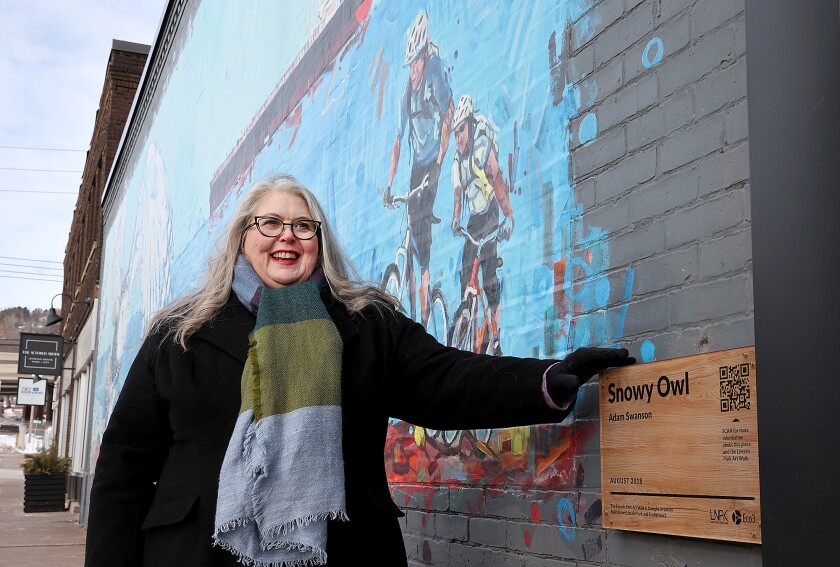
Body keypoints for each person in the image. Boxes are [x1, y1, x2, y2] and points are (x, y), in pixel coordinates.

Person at [84, 174, 635, 567]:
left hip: (345, 549)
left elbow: (447, 380)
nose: (287, 236)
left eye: (304, 226)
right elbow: (124, 467)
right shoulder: (179, 333)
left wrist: (551, 379)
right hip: (199, 551)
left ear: (319, 245)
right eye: (270, 222)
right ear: (241, 239)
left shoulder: (365, 324)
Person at [384, 9, 454, 328]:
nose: (412, 71)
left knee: (422, 239)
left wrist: (440, 164)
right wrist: (388, 186)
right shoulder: (406, 92)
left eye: (415, 62)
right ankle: (412, 308)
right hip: (415, 166)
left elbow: (449, 114)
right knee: (409, 230)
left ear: (425, 56)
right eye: (409, 64)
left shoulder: (435, 71)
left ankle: (425, 321)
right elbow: (397, 141)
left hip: (432, 164)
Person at [451, 94, 515, 355]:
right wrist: (456, 217)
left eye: (461, 131)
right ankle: (467, 313)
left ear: (469, 125)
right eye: (455, 133)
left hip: (490, 214)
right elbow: (457, 192)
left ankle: (496, 339)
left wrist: (508, 216)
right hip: (473, 218)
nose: (458, 138)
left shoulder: (481, 149)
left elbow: (498, 180)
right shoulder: (458, 159)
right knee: (466, 273)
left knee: (489, 282)